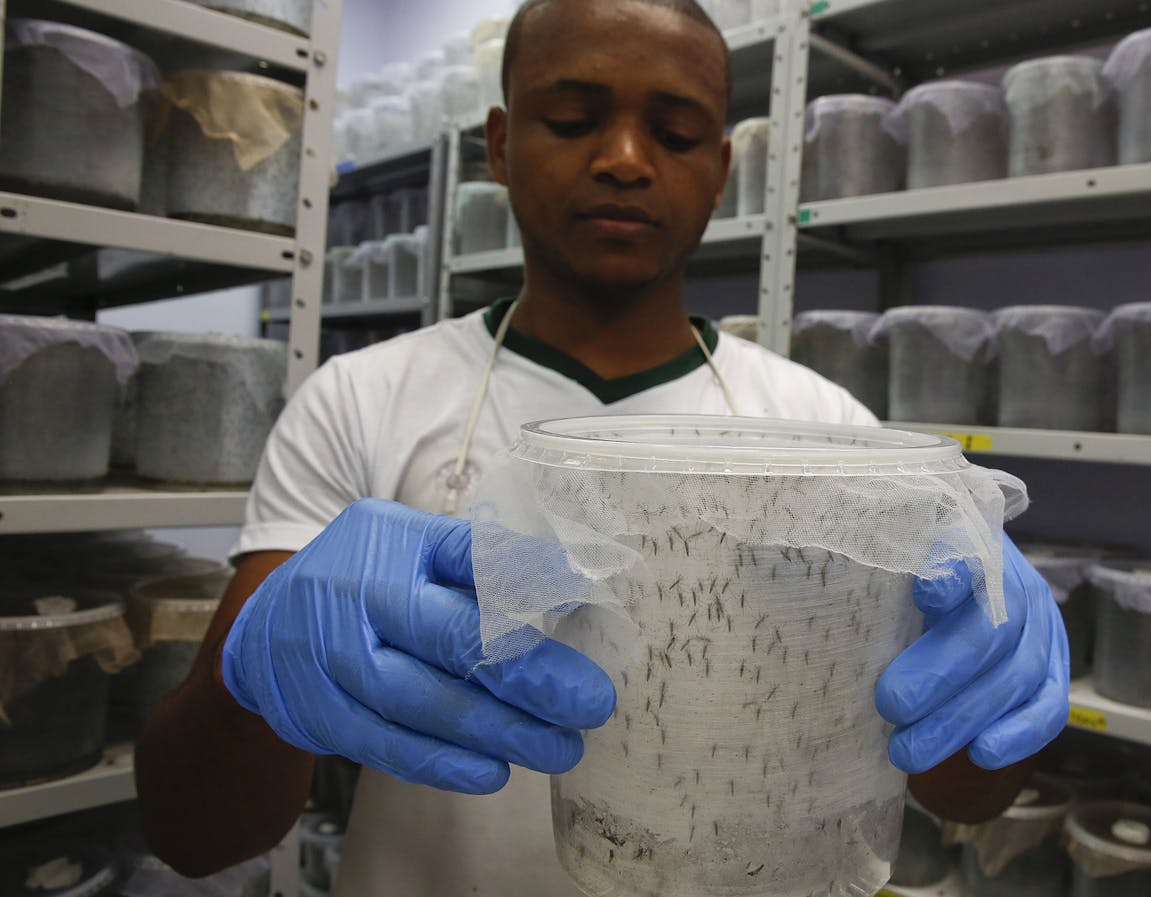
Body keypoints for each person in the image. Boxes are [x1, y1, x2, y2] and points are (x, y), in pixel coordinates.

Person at [135, 0, 1069, 894]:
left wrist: (999, 664)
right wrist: (249, 679)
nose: (624, 159)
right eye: (575, 117)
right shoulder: (360, 398)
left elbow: (967, 793)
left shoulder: (824, 430)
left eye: (674, 133)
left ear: (722, 166)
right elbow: (194, 832)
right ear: (500, 146)